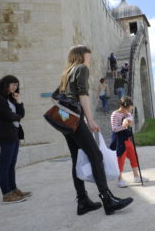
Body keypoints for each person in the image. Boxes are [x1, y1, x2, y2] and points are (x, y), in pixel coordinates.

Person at [54, 45, 132, 216]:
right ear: (81, 56)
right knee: (96, 155)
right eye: (88, 56)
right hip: (76, 119)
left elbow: (55, 96)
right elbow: (83, 95)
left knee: (76, 159)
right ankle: (108, 200)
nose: (90, 59)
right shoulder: (81, 68)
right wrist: (89, 119)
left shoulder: (66, 72)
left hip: (65, 120)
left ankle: (82, 201)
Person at [0, 75, 32, 204]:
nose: (15, 87)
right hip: (5, 134)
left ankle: (13, 189)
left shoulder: (10, 98)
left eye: (16, 85)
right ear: (5, 84)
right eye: (12, 84)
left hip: (14, 134)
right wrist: (16, 116)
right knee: (5, 165)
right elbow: (9, 116)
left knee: (11, 164)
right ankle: (6, 194)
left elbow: (20, 115)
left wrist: (19, 102)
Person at [110, 96, 149, 188]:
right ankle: (120, 180)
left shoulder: (127, 113)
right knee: (121, 159)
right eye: (128, 109)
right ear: (123, 107)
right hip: (119, 139)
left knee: (134, 157)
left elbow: (130, 120)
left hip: (127, 139)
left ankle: (136, 177)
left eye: (130, 109)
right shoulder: (115, 114)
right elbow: (115, 128)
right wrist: (124, 125)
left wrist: (127, 121)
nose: (129, 111)